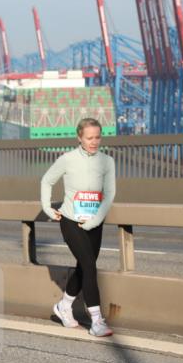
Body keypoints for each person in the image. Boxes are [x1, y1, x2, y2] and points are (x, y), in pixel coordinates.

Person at [40, 117, 116, 337]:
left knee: (84, 267)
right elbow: (47, 180)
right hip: (71, 221)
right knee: (90, 267)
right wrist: (47, 207)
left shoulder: (107, 162)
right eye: (89, 137)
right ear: (79, 138)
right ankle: (97, 321)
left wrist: (94, 221)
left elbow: (109, 194)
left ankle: (64, 307)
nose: (94, 142)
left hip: (95, 223)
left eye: (97, 137)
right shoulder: (67, 159)